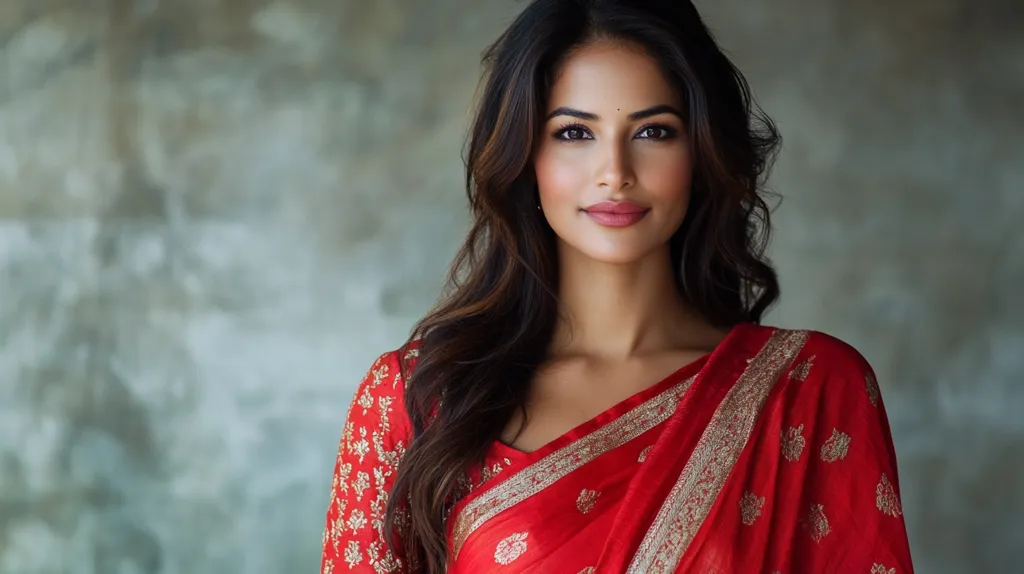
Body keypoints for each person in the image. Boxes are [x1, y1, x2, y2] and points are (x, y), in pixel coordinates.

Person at [320, 0, 915, 572]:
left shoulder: (807, 390)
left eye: (654, 132)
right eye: (574, 134)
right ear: (525, 156)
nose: (615, 173)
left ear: (702, 152)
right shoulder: (418, 398)